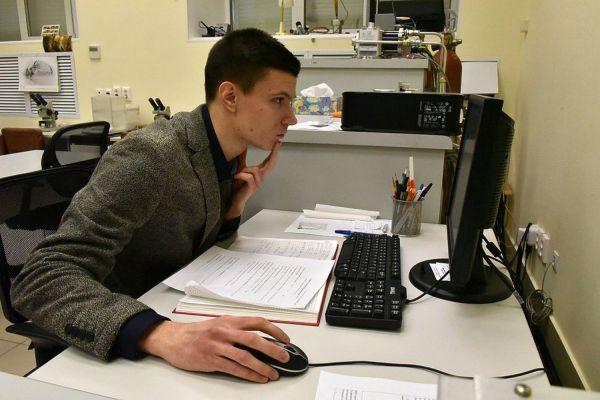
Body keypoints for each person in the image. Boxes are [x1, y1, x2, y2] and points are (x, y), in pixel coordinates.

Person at [11, 28, 300, 384]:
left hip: (169, 308)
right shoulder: (150, 156)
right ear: (230, 96)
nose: (291, 117)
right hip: (111, 348)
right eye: (279, 100)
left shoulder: (221, 154)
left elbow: (186, 247)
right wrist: (161, 334)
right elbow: (40, 279)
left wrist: (232, 210)